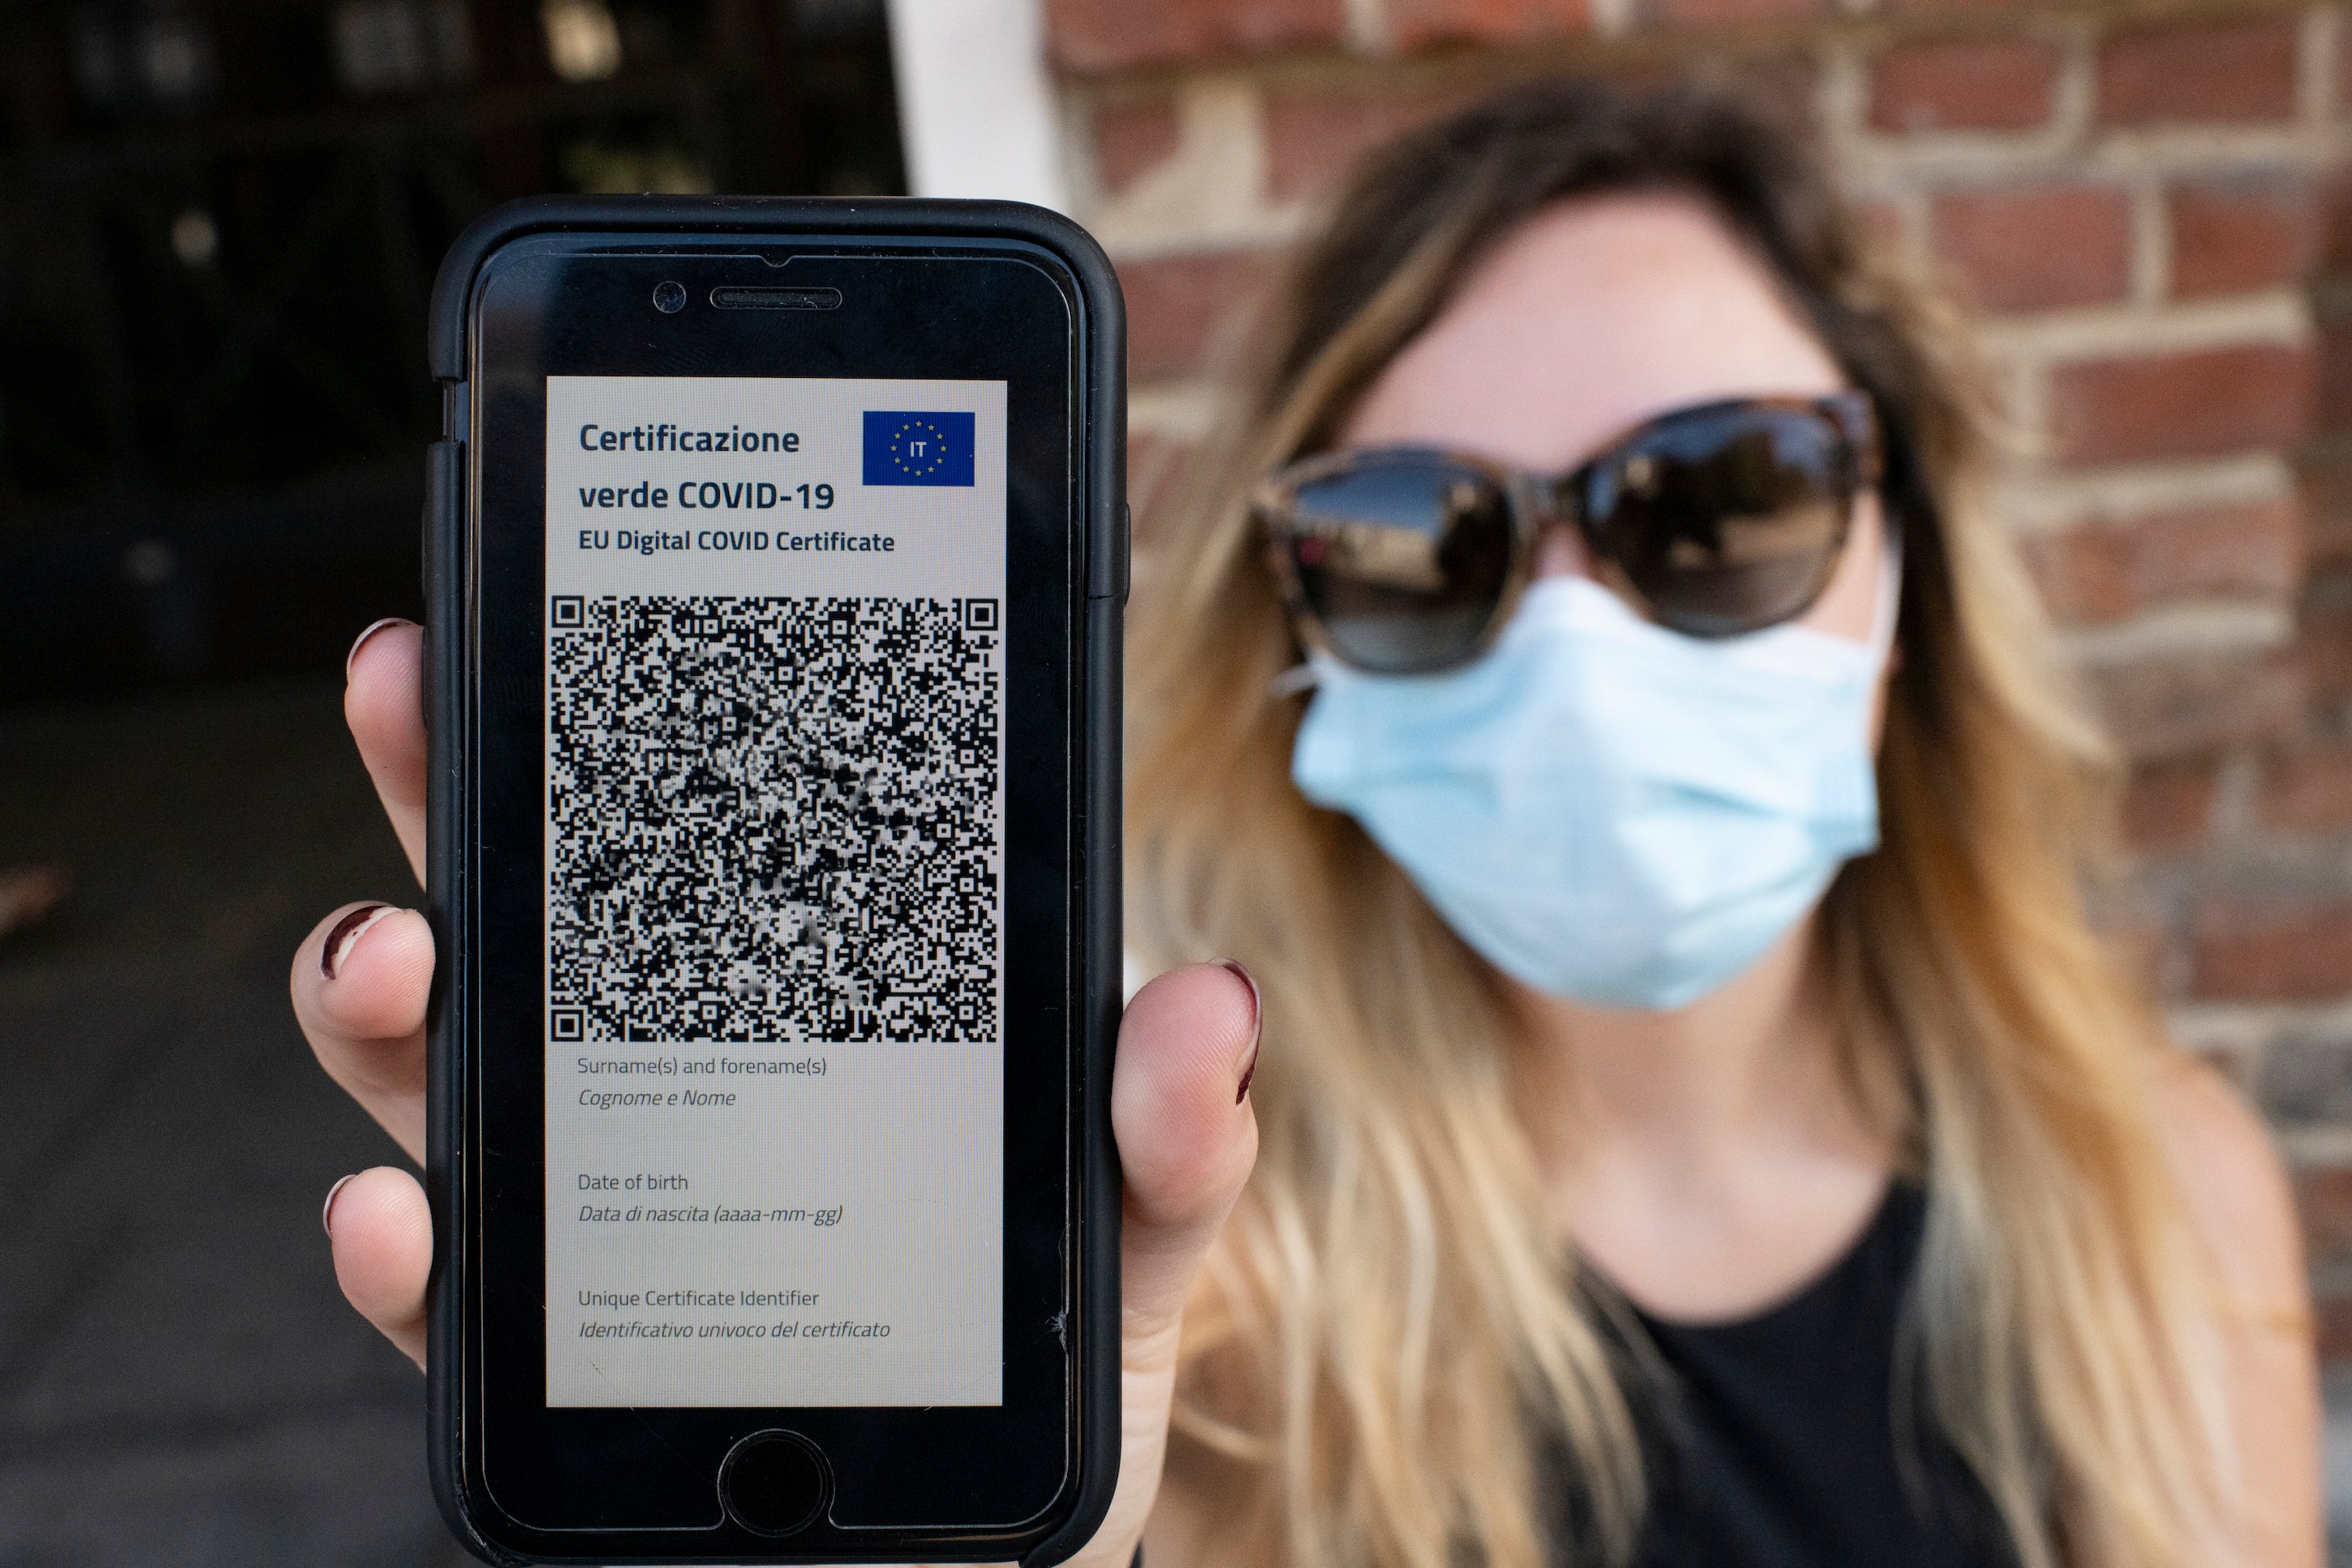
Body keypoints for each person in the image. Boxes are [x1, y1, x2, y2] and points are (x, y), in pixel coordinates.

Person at [292, 77, 2321, 1568]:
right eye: (1418, 540)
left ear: (1916, 561)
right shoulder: (1173, 1321)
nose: (1572, 633)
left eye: (1720, 500)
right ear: (1303, 635)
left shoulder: (2161, 1194)